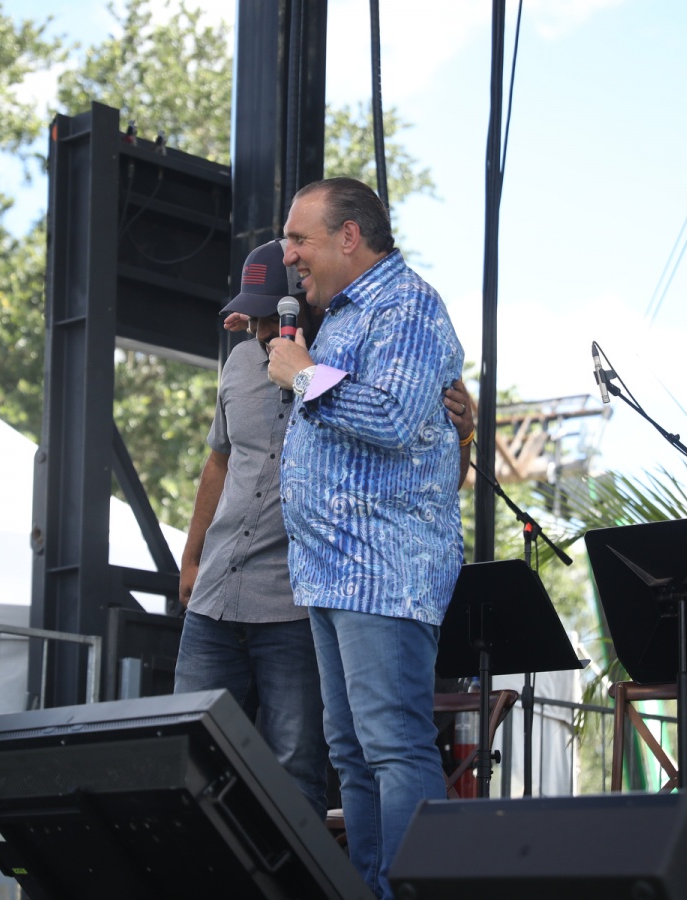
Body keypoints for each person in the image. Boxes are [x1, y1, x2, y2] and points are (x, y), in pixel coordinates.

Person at [175, 239, 474, 825]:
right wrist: (191, 558)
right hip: (217, 594)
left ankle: (329, 873)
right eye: (252, 318)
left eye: (271, 317)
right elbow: (219, 461)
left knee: (301, 767)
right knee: (187, 755)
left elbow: (430, 471)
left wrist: (464, 433)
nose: (260, 331)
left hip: (300, 598)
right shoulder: (241, 362)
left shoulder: (359, 358)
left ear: (307, 305)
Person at [267, 178, 466, 899]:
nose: (288, 254)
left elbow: (389, 416)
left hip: (384, 568)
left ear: (348, 236)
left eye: (299, 239)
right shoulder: (343, 315)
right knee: (351, 754)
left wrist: (304, 376)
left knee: (393, 746)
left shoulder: (407, 305)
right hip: (331, 570)